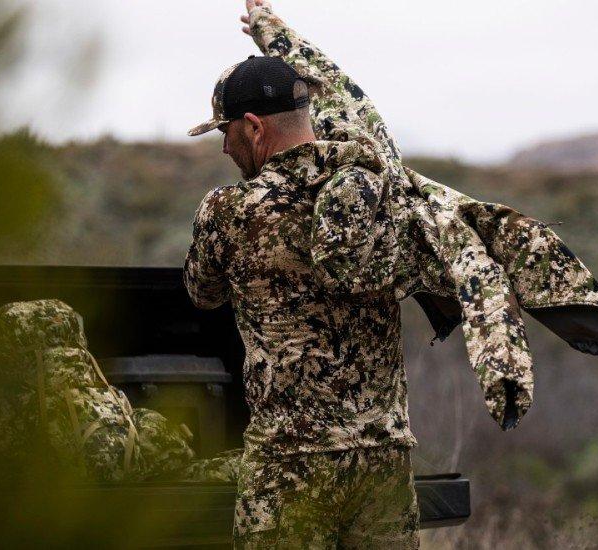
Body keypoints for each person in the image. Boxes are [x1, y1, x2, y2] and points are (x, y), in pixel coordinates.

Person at [184, 3, 420, 548]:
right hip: (383, 459)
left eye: (226, 132)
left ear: (253, 127)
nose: (224, 147)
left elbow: (202, 291)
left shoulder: (228, 210)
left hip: (290, 461)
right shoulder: (377, 192)